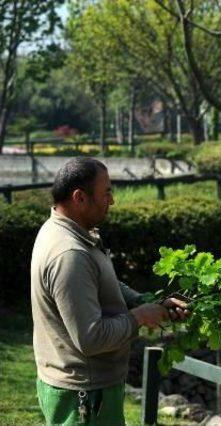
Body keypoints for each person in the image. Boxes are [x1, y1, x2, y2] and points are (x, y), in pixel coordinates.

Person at [30, 157, 188, 425]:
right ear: (80, 198)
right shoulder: (69, 254)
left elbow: (102, 282)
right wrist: (139, 317)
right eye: (106, 193)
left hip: (90, 391)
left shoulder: (68, 232)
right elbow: (91, 339)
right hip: (84, 396)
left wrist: (144, 301)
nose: (111, 201)